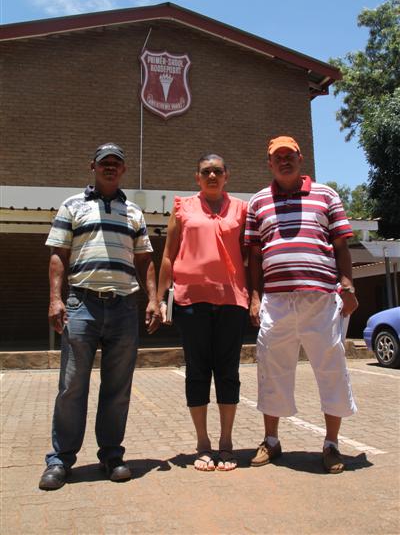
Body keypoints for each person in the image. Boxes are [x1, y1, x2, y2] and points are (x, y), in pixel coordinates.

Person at [39, 143, 159, 490]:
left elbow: (144, 259)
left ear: (123, 170)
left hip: (124, 307)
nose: (110, 167)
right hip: (82, 305)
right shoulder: (72, 205)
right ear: (92, 166)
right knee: (72, 386)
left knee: (118, 388)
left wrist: (153, 299)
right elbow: (58, 255)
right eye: (104, 162)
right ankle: (60, 460)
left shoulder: (133, 212)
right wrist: (55, 299)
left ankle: (111, 455)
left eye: (115, 163)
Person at [245, 135, 358, 474]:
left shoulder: (327, 195)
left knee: (331, 369)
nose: (284, 161)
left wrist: (348, 285)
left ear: (300, 158)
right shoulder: (257, 202)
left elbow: (341, 246)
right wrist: (255, 296)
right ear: (269, 163)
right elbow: (254, 256)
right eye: (277, 157)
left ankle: (331, 444)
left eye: (289, 155)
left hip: (321, 300)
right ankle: (271, 440)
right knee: (272, 369)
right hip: (276, 302)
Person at [157, 153, 249, 471]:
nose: (212, 176)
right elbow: (168, 255)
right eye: (206, 171)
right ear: (197, 177)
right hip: (191, 301)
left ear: (227, 176)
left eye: (217, 171)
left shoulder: (241, 209)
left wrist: (255, 296)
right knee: (197, 371)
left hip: (232, 301)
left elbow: (250, 255)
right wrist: (159, 298)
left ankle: (226, 443)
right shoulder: (182, 207)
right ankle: (202, 444)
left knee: (228, 372)